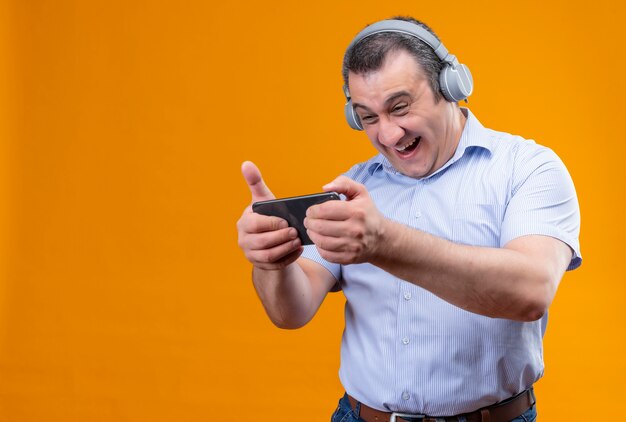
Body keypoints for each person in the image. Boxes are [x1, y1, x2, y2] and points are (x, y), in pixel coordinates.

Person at [236, 16, 581, 422]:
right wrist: (271, 261)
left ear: (451, 86)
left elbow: (530, 291)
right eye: (367, 117)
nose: (387, 134)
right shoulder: (355, 191)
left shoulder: (528, 169)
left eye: (399, 108)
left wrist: (385, 243)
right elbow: (290, 312)